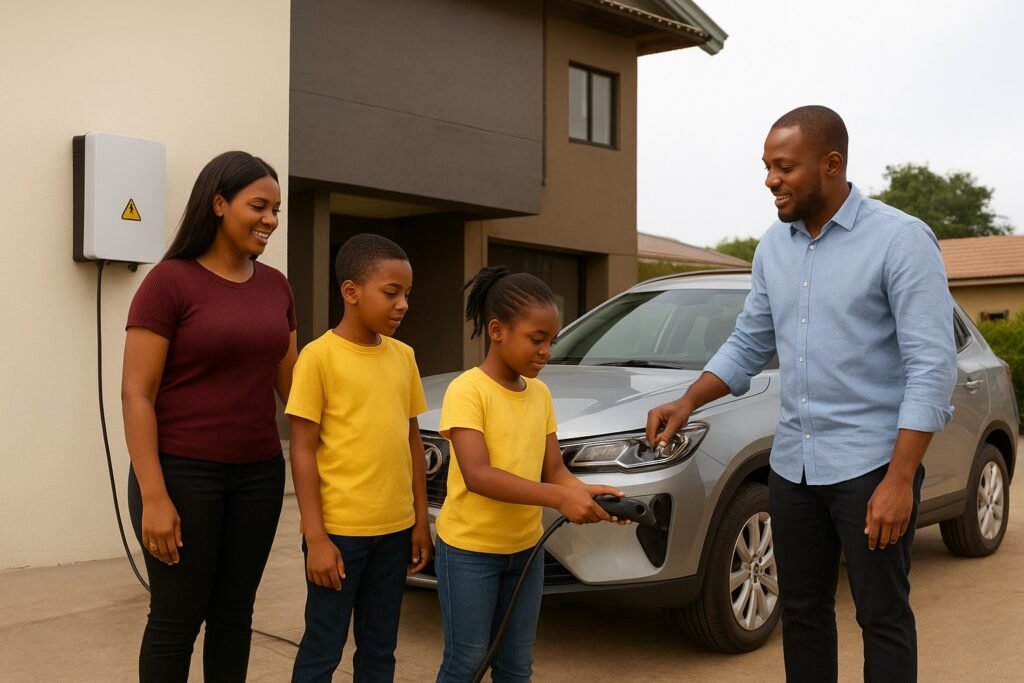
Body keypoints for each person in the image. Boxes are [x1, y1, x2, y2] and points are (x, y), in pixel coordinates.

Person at [646, 106, 956, 683]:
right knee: (803, 613)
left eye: (784, 166)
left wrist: (898, 479)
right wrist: (687, 401)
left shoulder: (901, 240)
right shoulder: (773, 247)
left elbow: (931, 367)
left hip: (872, 467)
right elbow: (748, 342)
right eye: (766, 166)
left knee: (881, 615)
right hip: (794, 466)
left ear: (831, 164)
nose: (770, 179)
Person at [122, 151, 298, 682]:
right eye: (259, 206)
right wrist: (155, 497)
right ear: (219, 204)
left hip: (260, 476)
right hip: (181, 475)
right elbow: (136, 395)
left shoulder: (276, 286)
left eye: (276, 211)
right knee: (176, 620)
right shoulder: (169, 282)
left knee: (233, 619)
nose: (270, 220)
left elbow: (294, 388)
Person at [435, 266, 627, 683]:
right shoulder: (468, 390)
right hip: (469, 551)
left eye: (551, 341)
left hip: (525, 549)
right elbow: (478, 475)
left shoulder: (539, 393)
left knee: (516, 665)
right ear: (497, 330)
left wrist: (587, 493)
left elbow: (554, 470)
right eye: (536, 340)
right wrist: (559, 499)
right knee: (467, 661)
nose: (546, 352)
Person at [286, 233, 432, 683]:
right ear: (351, 292)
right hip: (339, 536)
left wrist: (419, 520)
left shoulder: (404, 357)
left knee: (380, 649)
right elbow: (302, 448)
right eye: (391, 293)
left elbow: (412, 441)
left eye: (407, 294)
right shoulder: (317, 358)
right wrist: (317, 536)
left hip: (394, 532)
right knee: (322, 648)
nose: (402, 304)